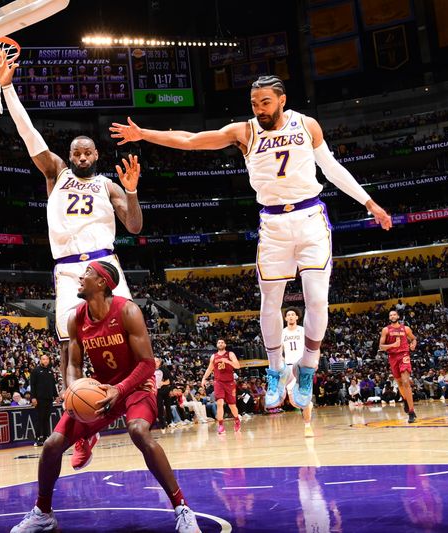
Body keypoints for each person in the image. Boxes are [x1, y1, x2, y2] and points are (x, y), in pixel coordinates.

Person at [110, 75, 392, 414]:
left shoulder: (307, 125)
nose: (259, 109)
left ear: (282, 100)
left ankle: (307, 368)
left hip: (309, 218)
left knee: (317, 299)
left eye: (266, 103)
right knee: (270, 301)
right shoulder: (245, 132)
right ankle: (276, 369)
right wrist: (144, 134)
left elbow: (331, 169)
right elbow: (191, 140)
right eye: (255, 103)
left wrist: (369, 203)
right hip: (273, 223)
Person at [0, 51, 143, 470]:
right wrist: (7, 89)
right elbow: (29, 136)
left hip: (105, 266)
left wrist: (131, 192)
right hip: (67, 271)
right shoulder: (55, 173)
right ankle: (81, 423)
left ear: (96, 155)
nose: (80, 157)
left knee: (127, 337)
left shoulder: (109, 185)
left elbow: (133, 227)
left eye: (87, 153)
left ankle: (138, 405)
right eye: (76, 152)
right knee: (69, 346)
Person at [10, 261, 201, 533]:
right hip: (102, 389)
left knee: (138, 431)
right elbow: (74, 363)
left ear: (102, 282)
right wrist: (73, 388)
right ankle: (43, 512)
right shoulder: (76, 317)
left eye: (86, 273)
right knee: (52, 445)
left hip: (136, 385)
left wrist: (120, 389)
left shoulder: (128, 310)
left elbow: (148, 363)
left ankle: (182, 507)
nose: (80, 277)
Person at [379, 310, 418, 423]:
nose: (392, 316)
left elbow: (414, 338)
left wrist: (413, 344)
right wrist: (393, 345)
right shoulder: (386, 330)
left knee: (406, 381)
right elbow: (381, 347)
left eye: (394, 314)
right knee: (399, 383)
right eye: (390, 315)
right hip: (392, 357)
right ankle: (405, 399)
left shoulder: (405, 328)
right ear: (389, 318)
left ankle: (411, 412)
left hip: (404, 355)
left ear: (398, 316)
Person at [282, 307, 314, 437]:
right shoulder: (282, 333)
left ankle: (307, 426)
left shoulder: (303, 331)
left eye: (292, 314)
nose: (290, 316)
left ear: (297, 317)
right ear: (285, 318)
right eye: (288, 315)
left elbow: (312, 347)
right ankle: (308, 406)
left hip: (302, 366)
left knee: (304, 398)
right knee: (294, 402)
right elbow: (278, 352)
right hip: (289, 367)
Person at [201, 339, 241, 434]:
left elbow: (238, 366)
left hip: (229, 382)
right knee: (219, 402)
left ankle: (236, 420)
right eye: (219, 342)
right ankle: (221, 425)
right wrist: (203, 378)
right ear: (216, 345)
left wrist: (227, 361)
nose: (220, 343)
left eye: (222, 342)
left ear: (225, 344)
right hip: (218, 382)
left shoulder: (230, 354)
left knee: (232, 405)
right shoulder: (213, 357)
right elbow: (209, 369)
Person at [30, 354, 58, 447]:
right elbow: (32, 385)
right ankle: (38, 438)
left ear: (49, 360)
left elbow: (53, 385)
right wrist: (33, 397)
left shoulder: (50, 371)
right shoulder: (35, 371)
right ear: (40, 360)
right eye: (43, 359)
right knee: (39, 419)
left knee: (46, 418)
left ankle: (46, 437)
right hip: (39, 398)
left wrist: (56, 396)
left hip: (49, 399)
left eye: (47, 359)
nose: (45, 361)